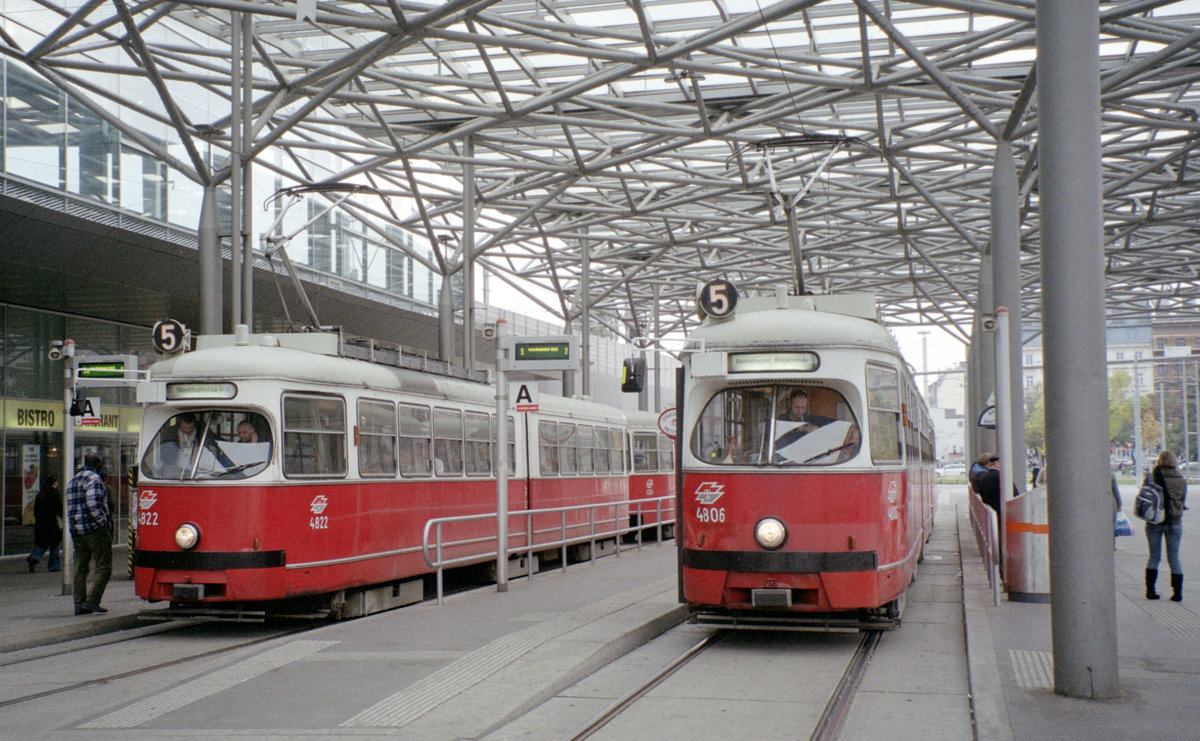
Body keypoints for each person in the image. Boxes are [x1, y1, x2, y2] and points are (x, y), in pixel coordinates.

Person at [67, 453, 114, 615]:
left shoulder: (73, 480)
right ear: (98, 465)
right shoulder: (94, 479)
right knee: (104, 565)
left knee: (81, 567)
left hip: (77, 531)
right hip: (94, 530)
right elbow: (93, 503)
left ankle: (79, 603)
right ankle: (92, 600)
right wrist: (103, 522)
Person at [1146, 450, 1187, 602]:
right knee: (1174, 558)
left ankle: (1150, 591)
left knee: (1154, 557)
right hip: (1174, 522)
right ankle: (1177, 593)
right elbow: (1182, 501)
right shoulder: (1181, 479)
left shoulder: (1152, 476)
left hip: (1155, 521)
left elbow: (1146, 495)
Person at [26, 473, 62, 572]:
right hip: (51, 523)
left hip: (40, 523)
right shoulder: (54, 493)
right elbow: (58, 508)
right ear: (54, 483)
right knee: (55, 544)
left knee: (42, 543)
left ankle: (34, 557)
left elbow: (36, 510)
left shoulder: (40, 494)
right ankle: (54, 565)